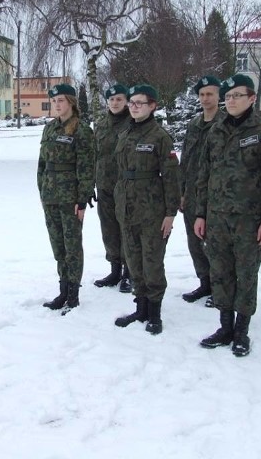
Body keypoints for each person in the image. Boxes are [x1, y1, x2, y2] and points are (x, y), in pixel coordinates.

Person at [194, 74, 261, 356]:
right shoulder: (216, 130)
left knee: (246, 274)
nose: (231, 101)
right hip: (217, 216)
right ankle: (225, 326)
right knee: (220, 272)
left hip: (249, 219)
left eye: (237, 96)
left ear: (252, 99)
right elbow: (203, 174)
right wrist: (201, 214)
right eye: (229, 96)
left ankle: (242, 330)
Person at [113, 84, 180, 335]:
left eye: (140, 102)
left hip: (152, 211)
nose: (134, 106)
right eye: (132, 102)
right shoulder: (125, 133)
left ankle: (155, 313)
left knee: (152, 262)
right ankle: (140, 307)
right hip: (127, 208)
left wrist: (170, 213)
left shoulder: (160, 137)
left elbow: (172, 176)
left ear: (153, 106)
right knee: (133, 260)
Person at [38, 84, 95, 314]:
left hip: (70, 198)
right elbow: (42, 164)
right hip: (50, 196)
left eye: (61, 100)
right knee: (57, 245)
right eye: (54, 101)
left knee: (72, 245)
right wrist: (41, 188)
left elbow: (87, 167)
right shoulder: (50, 129)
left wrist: (82, 199)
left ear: (71, 102)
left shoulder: (81, 131)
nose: (57, 105)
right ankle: (62, 288)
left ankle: (73, 294)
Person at [180, 75, 225, 307]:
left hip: (216, 194)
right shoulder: (194, 124)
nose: (206, 98)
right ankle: (204, 282)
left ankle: (220, 289)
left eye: (210, 94)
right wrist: (182, 190)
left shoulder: (226, 123)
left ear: (219, 96)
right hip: (193, 192)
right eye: (202, 94)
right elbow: (185, 159)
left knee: (214, 244)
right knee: (194, 241)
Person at [93, 84, 133, 293]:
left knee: (126, 229)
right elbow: (94, 154)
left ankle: (129, 272)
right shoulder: (100, 124)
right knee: (108, 229)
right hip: (104, 186)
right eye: (111, 100)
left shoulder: (133, 122)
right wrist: (92, 182)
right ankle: (115, 269)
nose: (115, 103)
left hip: (125, 188)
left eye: (119, 99)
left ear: (126, 101)